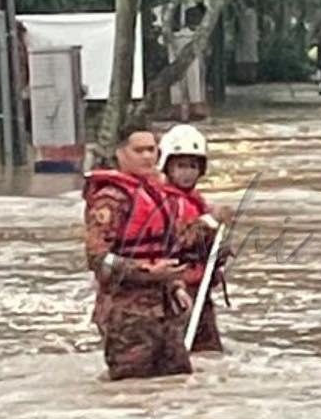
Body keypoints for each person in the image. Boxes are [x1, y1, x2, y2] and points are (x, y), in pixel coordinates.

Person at [83, 122, 193, 380]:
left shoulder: (160, 195)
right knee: (130, 387)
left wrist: (176, 284)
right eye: (139, 150)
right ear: (121, 154)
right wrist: (146, 270)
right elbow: (98, 259)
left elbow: (168, 247)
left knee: (177, 382)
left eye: (152, 150)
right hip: (127, 315)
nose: (147, 156)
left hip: (166, 310)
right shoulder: (109, 200)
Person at [157, 124, 230, 353]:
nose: (187, 172)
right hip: (178, 291)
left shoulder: (195, 201)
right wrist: (209, 222)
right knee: (181, 353)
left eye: (192, 166)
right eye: (180, 166)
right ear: (167, 167)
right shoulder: (164, 202)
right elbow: (176, 243)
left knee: (210, 352)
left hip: (200, 288)